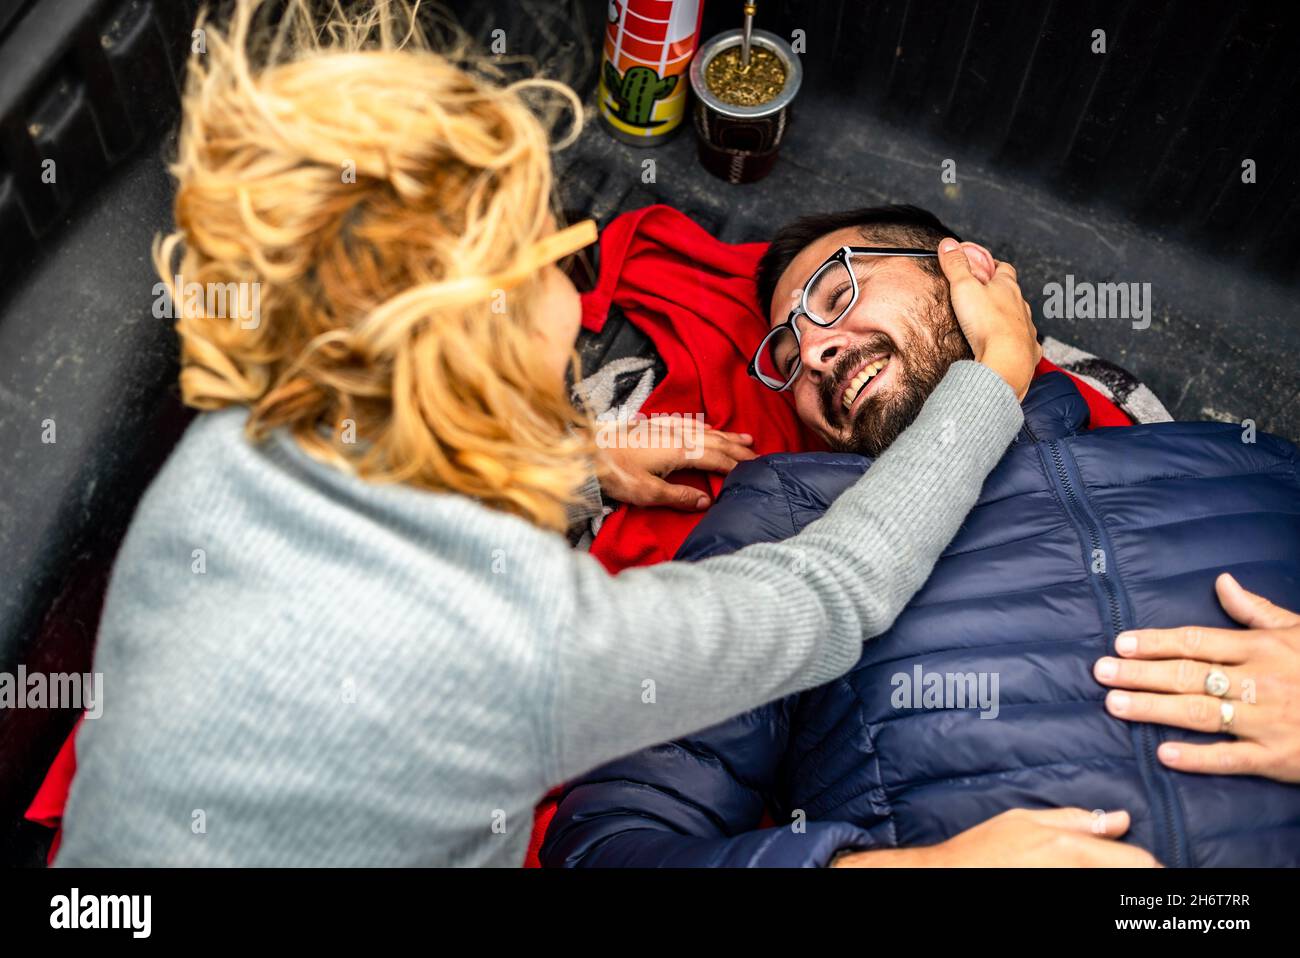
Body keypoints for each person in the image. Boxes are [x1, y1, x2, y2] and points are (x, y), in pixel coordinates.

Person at [52, 4, 1041, 866]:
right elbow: (831, 590)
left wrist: (577, 460)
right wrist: (991, 382)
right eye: (543, 268)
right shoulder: (529, 648)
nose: (575, 297)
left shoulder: (223, 454)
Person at [540, 205, 1300, 868]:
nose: (812, 353)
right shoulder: (787, 513)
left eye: (836, 293)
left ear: (967, 270)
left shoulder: (1254, 463)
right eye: (785, 357)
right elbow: (609, 842)